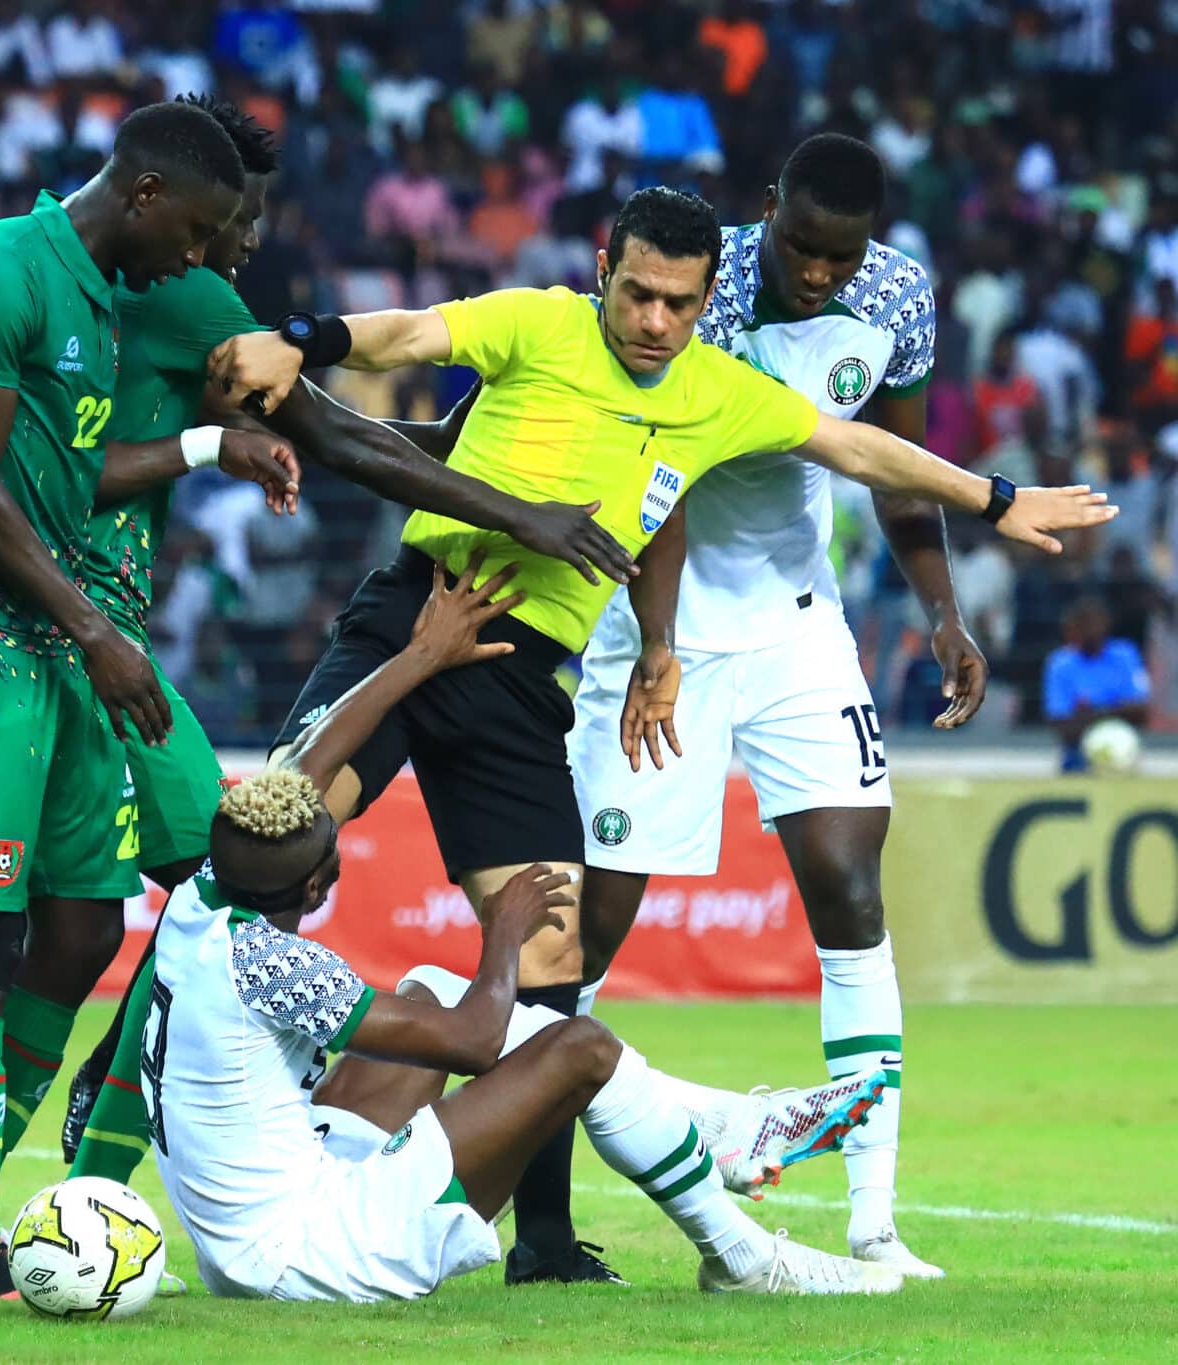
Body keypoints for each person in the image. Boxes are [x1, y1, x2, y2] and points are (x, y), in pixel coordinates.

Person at [207, 184, 1115, 1283]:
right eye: (635, 293)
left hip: (520, 682)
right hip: (416, 616)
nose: (650, 322)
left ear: (699, 305)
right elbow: (402, 334)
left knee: (550, 956)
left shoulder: (713, 393)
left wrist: (993, 498)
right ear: (603, 271)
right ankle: (115, 1137)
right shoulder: (537, 322)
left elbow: (860, 450)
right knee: (264, 849)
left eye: (675, 305)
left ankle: (540, 1241)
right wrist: (297, 339)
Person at [48, 96, 635, 1201]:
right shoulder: (195, 297)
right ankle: (94, 1141)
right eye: (240, 217)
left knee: (210, 873)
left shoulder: (157, 281)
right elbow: (338, 433)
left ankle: (88, 1140)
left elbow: (355, 434)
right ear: (181, 207)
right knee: (243, 853)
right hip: (84, 615)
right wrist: (513, 507)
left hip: (136, 617)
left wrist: (460, 451)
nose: (250, 239)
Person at [149, 555, 904, 1301]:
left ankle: (724, 1125)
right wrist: (504, 932)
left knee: (427, 990)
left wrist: (420, 655)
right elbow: (477, 1042)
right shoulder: (274, 965)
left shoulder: (200, 901)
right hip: (321, 1250)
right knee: (578, 1045)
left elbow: (312, 765)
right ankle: (740, 1252)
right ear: (316, 882)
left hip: (252, 1229)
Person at [0, 99, 299, 1301]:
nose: (211, 260)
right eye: (206, 231)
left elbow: (76, 473)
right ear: (150, 196)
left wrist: (211, 453)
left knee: (91, 926)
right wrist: (96, 631)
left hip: (80, 635)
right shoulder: (0, 271)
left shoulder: (119, 299)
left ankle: (38, 1189)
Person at [566, 133, 977, 1282]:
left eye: (838, 259)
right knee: (590, 930)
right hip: (660, 624)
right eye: (799, 246)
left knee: (850, 892)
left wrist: (940, 613)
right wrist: (656, 643)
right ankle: (535, 1218)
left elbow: (891, 466)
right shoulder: (704, 283)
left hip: (798, 623)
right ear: (767, 213)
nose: (816, 275)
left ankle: (873, 1222)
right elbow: (666, 468)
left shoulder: (896, 297)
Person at [1044, 597, 1151, 773]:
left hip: (1126, 743)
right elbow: (1062, 724)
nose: (1090, 631)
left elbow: (1141, 711)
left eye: (1094, 624)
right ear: (1071, 629)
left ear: (1106, 624)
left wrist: (1091, 712)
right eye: (1082, 625)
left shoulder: (1125, 654)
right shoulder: (1060, 663)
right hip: (1077, 752)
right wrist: (1117, 709)